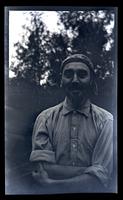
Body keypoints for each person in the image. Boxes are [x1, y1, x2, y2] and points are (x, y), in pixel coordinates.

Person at [29, 54, 113, 193]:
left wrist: (50, 184)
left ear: (91, 80)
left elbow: (98, 181)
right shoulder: (45, 118)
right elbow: (44, 168)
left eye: (82, 74)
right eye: (68, 74)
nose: (75, 80)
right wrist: (90, 170)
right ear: (61, 80)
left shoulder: (106, 121)